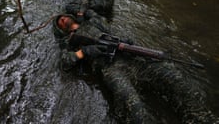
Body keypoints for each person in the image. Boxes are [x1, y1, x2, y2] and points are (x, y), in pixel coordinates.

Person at [52, 13, 219, 124]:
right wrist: (84, 52)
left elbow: (110, 31)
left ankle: (199, 118)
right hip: (111, 68)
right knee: (133, 105)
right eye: (59, 22)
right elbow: (65, 63)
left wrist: (123, 41)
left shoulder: (93, 23)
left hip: (132, 57)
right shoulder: (68, 43)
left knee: (175, 78)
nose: (63, 19)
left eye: (64, 16)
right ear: (61, 30)